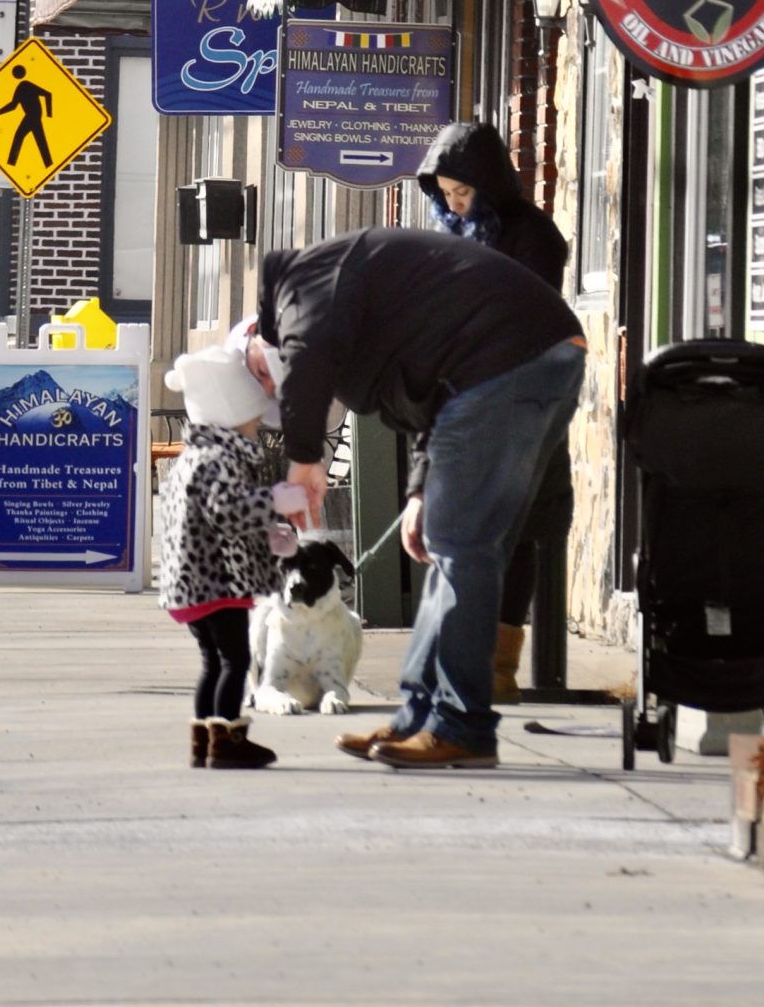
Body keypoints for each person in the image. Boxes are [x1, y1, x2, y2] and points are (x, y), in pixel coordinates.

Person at [248, 227, 584, 770]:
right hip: (529, 357)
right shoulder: (357, 287)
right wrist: (421, 489)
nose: (273, 381)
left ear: (266, 325)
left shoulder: (304, 282)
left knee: (462, 550)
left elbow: (309, 349)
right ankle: (422, 720)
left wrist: (305, 457)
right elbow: (433, 397)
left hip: (506, 362)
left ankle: (460, 727)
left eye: (268, 370)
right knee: (459, 545)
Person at [417, 121, 575, 704]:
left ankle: (498, 665)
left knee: (518, 532)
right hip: (464, 398)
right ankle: (464, 659)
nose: (455, 205)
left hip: (522, 398)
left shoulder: (531, 235)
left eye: (463, 193)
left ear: (487, 184)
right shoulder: (454, 238)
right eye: (446, 196)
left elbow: (524, 313)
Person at [158, 341, 306, 770]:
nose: (257, 430)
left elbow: (214, 520)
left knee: (213, 663)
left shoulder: (194, 458)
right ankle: (227, 740)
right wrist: (275, 501)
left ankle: (202, 739)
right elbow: (227, 514)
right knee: (235, 660)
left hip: (188, 586)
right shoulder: (221, 459)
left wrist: (268, 533)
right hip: (217, 582)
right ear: (233, 417)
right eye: (254, 422)